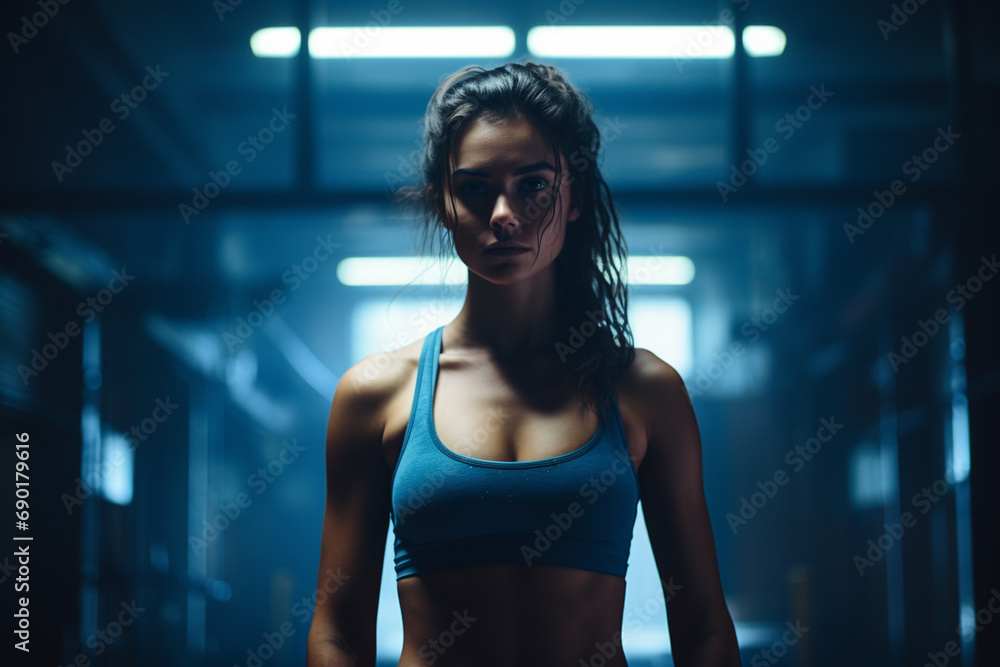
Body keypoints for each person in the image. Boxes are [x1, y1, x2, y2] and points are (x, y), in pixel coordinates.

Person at [306, 61, 740, 667]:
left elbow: (704, 627)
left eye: (533, 184)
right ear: (442, 203)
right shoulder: (376, 394)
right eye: (476, 188)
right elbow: (335, 634)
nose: (504, 214)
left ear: (574, 197)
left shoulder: (644, 390)